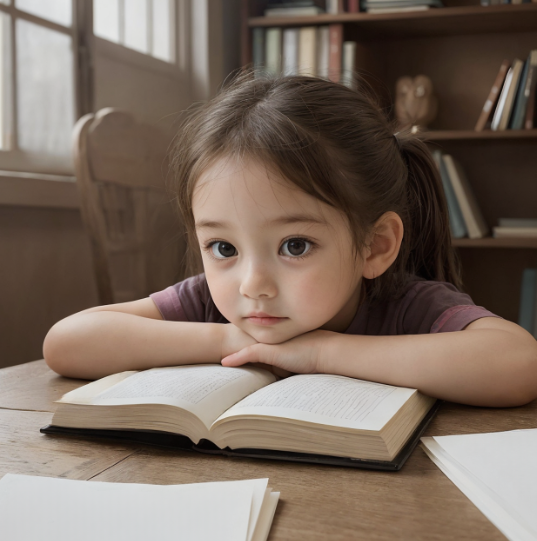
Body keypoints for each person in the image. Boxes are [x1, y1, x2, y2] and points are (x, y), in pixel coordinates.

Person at [44, 72, 537, 407]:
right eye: (224, 248)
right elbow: (67, 343)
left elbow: (519, 363)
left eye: (295, 246)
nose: (253, 284)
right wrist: (230, 338)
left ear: (375, 246)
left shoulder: (406, 304)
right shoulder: (213, 307)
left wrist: (322, 352)